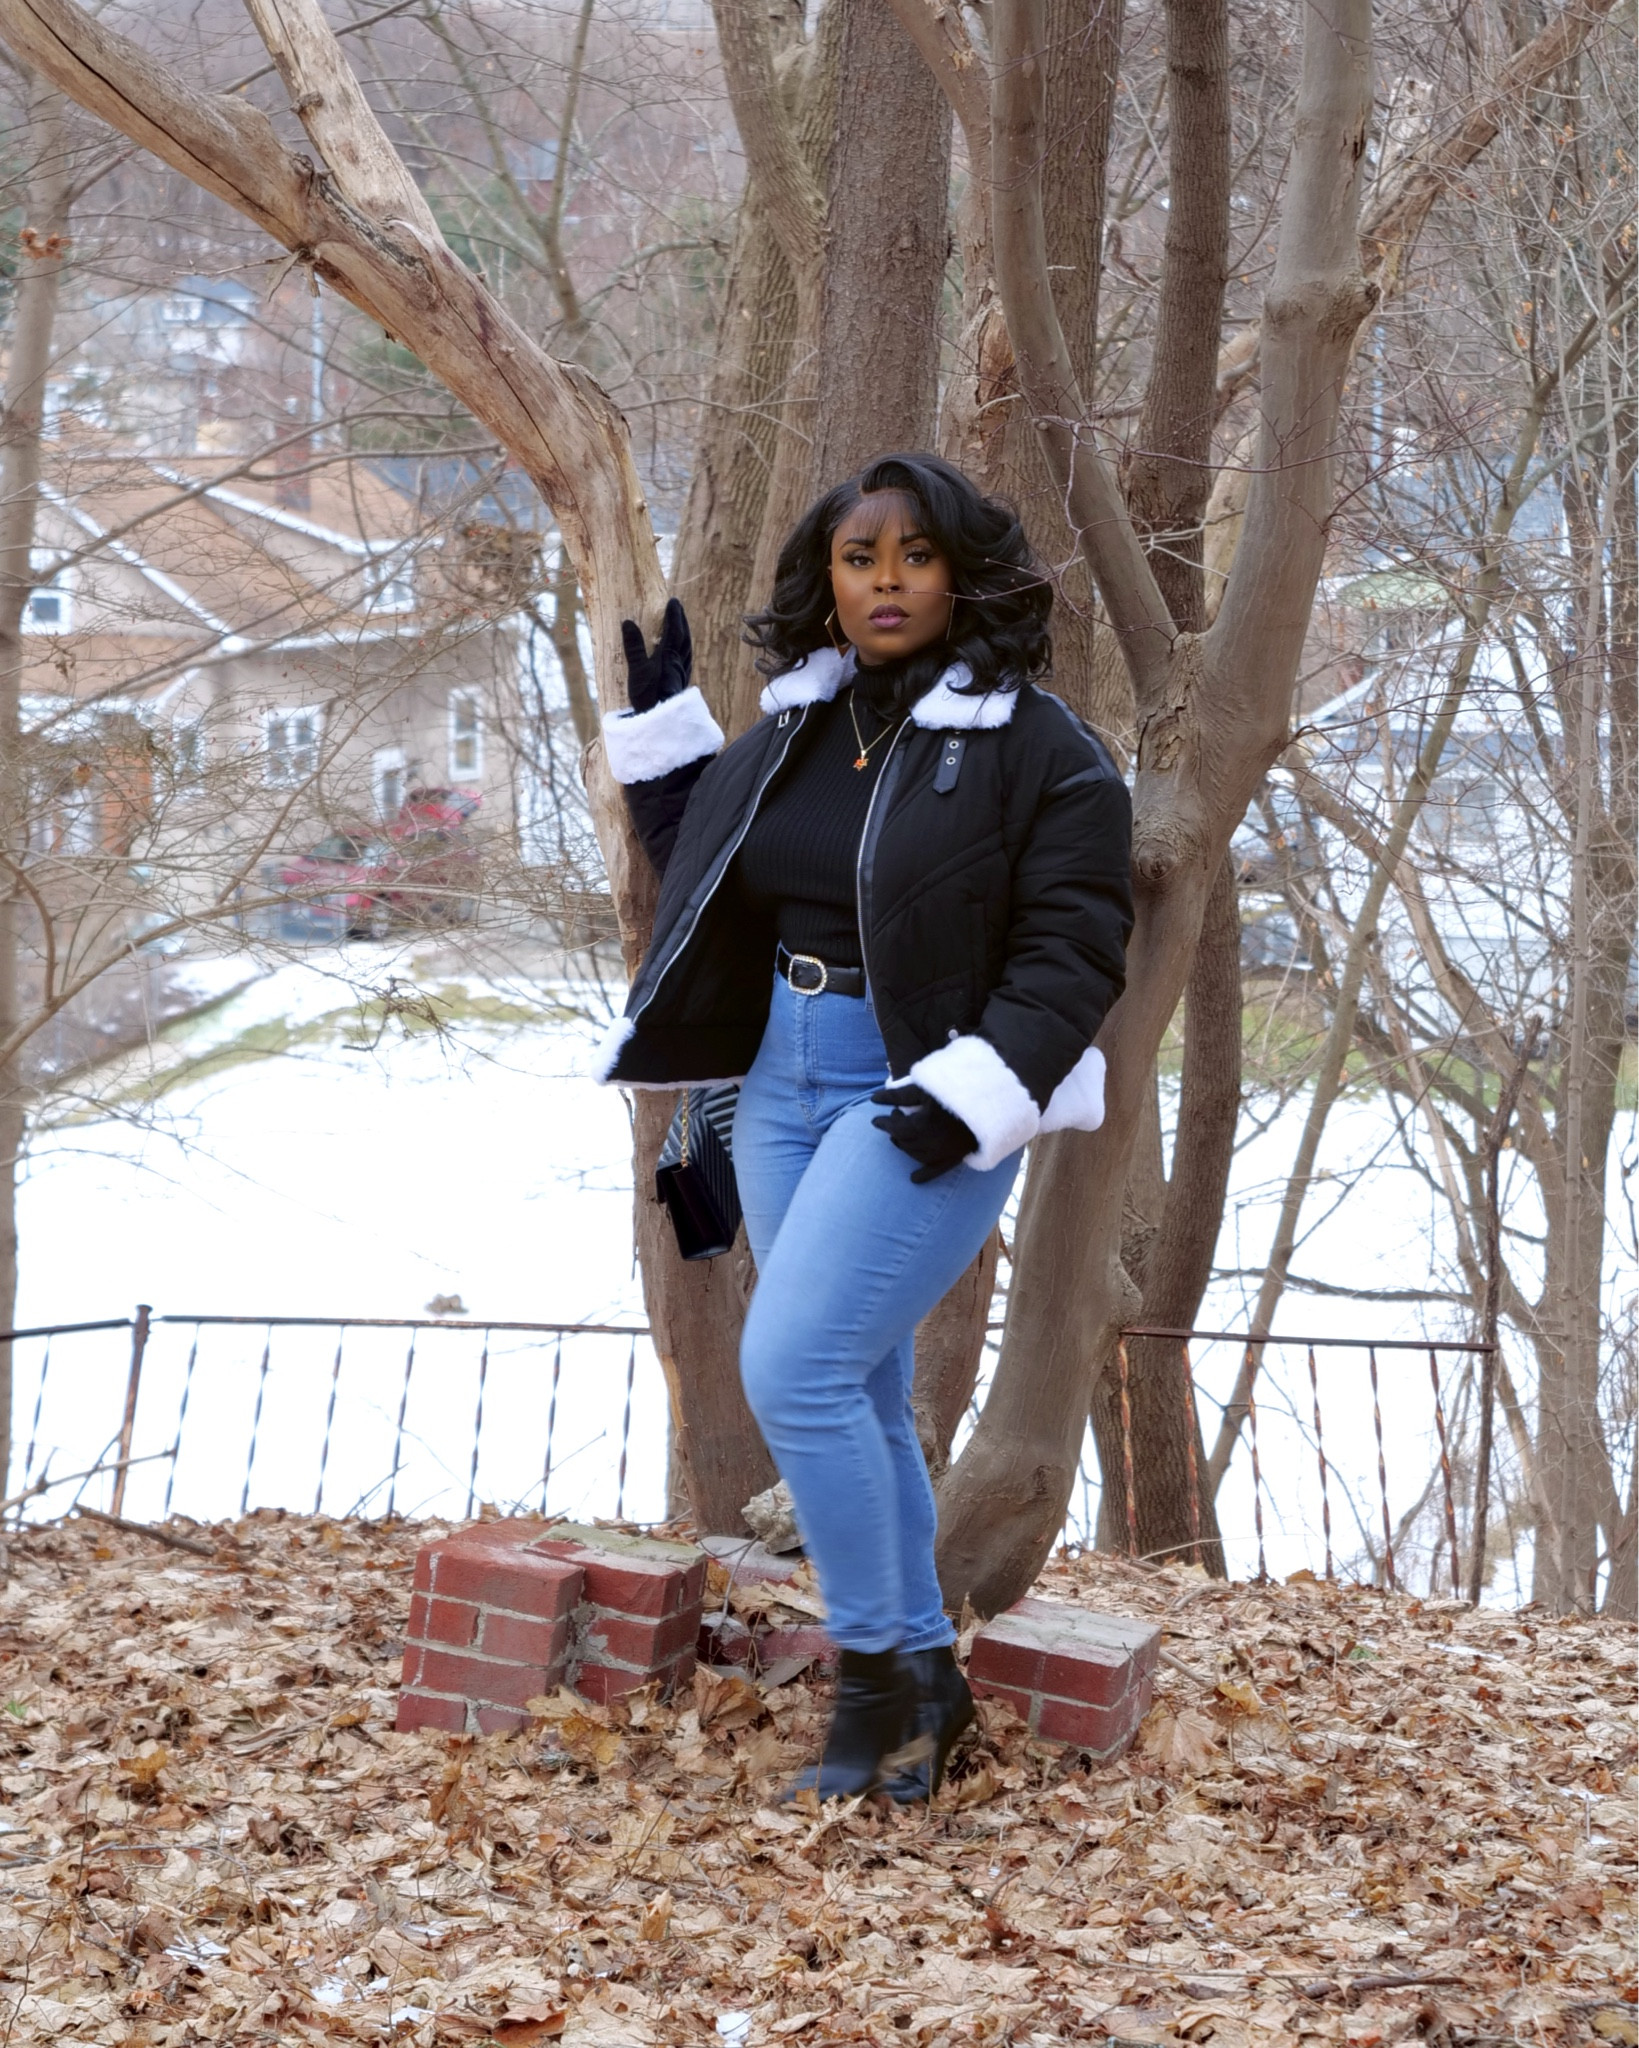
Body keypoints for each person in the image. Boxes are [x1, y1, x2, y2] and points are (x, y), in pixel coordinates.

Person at [595, 453, 1132, 1801]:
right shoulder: (791, 733)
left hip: (926, 1094)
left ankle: (889, 1687)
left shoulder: (1038, 748)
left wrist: (975, 1096)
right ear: (824, 582)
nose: (885, 581)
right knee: (867, 1393)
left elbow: (1075, 951)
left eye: (913, 556)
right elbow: (716, 864)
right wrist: (667, 739)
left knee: (795, 1372)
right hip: (783, 1079)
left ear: (962, 572)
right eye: (857, 558)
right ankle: (920, 1696)